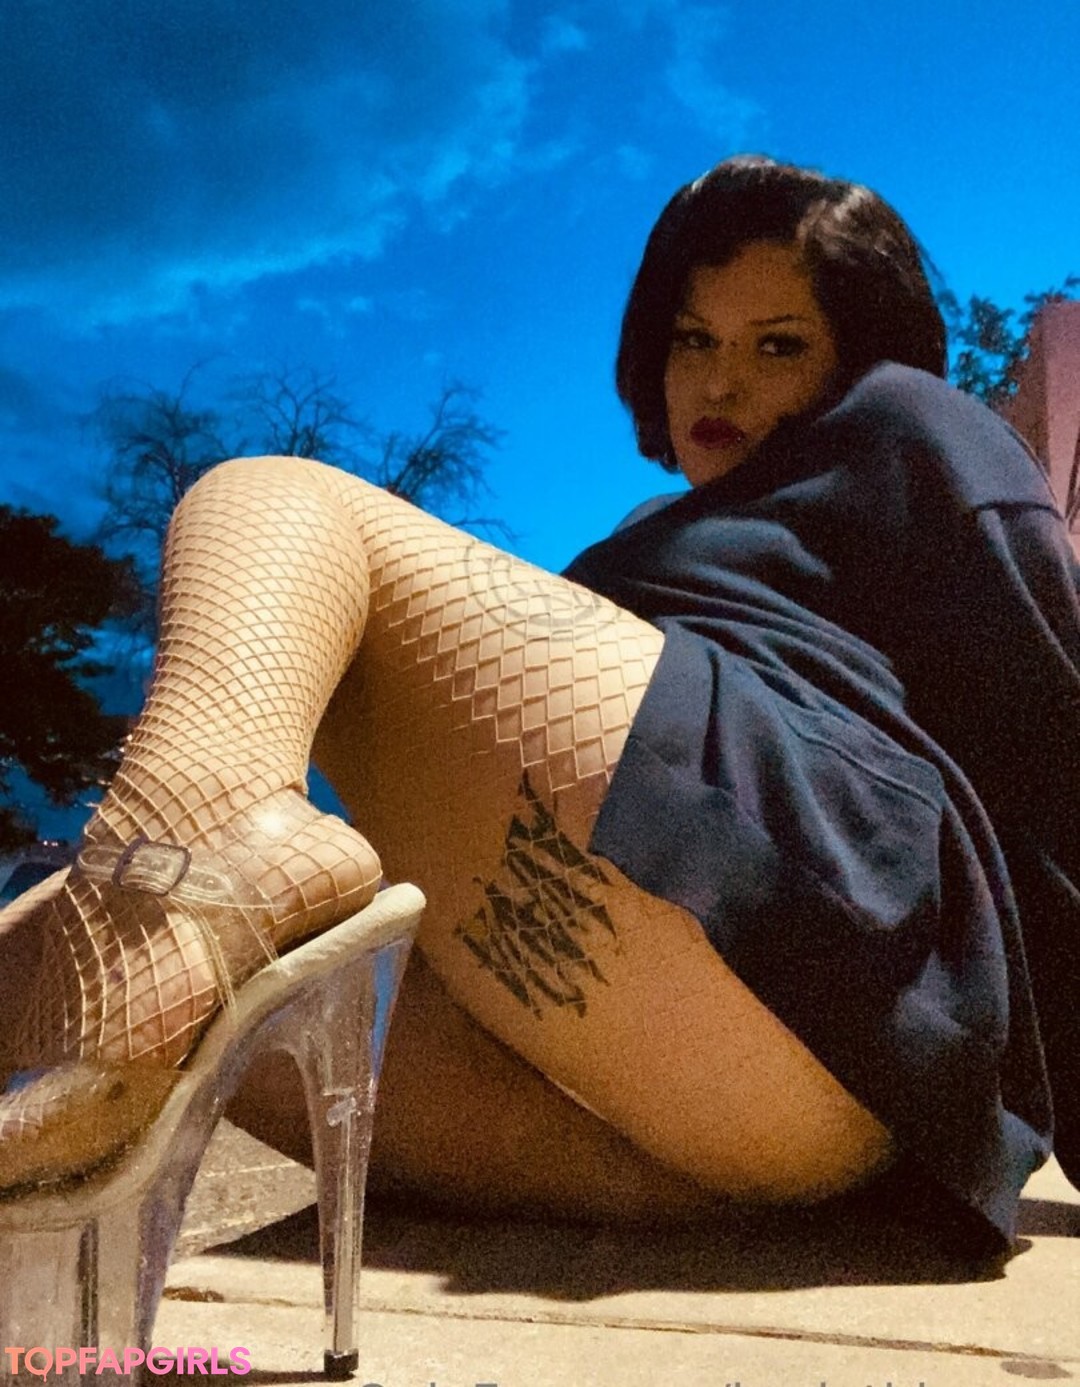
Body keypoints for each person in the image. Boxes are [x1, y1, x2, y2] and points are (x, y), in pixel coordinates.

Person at [1, 155, 1077, 1258]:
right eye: (693, 340)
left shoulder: (912, 424)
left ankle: (192, 852)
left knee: (269, 498)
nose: (720, 382)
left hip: (807, 891)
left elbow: (1053, 746)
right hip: (743, 1124)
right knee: (200, 1014)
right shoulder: (646, 541)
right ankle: (169, 912)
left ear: (858, 355)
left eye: (778, 346)